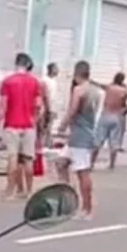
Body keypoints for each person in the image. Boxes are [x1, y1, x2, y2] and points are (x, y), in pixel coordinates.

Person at [0, 52, 48, 200]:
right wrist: (35, 121)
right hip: (28, 126)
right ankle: (29, 190)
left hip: (12, 124)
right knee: (28, 159)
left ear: (16, 63)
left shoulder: (7, 82)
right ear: (28, 65)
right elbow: (39, 106)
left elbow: (3, 107)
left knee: (12, 158)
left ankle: (10, 190)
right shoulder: (35, 82)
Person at [56, 60, 100, 219]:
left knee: (83, 172)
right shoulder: (95, 91)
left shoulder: (79, 90)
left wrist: (62, 126)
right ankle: (69, 198)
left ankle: (87, 208)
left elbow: (72, 110)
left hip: (80, 137)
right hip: (81, 135)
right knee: (61, 163)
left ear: (76, 74)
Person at [91, 72, 127, 170]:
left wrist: (90, 81)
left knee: (98, 141)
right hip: (117, 117)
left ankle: (91, 163)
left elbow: (99, 85)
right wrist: (125, 110)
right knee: (114, 142)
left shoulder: (109, 87)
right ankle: (112, 164)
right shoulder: (124, 91)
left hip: (106, 115)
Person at [43, 63, 63, 145]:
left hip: (52, 107)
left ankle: (48, 143)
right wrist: (48, 108)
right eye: (56, 68)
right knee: (45, 126)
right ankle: (45, 143)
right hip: (46, 107)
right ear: (51, 69)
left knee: (50, 126)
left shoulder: (54, 81)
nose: (58, 70)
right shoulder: (45, 80)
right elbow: (45, 95)